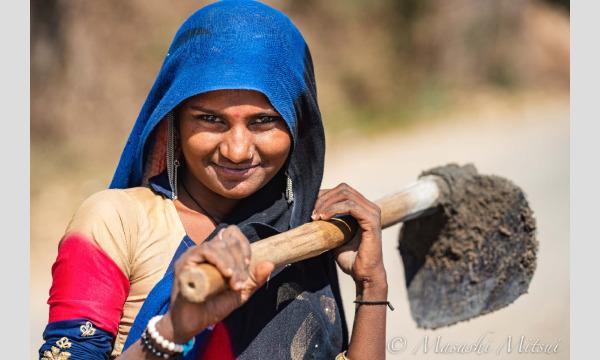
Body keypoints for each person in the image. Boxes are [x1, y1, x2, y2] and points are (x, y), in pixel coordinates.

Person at [39, 1, 390, 359]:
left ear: (298, 125)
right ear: (173, 122)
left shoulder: (304, 230)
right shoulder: (115, 222)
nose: (237, 151)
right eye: (210, 119)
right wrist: (173, 329)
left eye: (263, 121)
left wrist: (371, 282)